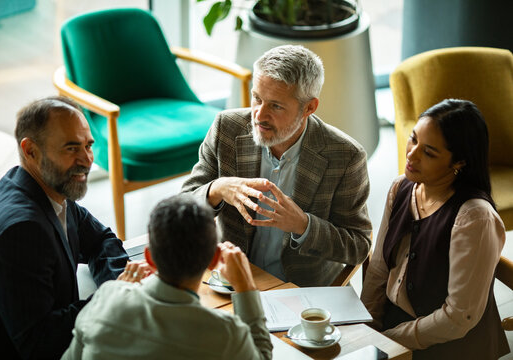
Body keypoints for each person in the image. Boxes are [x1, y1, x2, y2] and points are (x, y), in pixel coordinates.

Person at [181, 45, 372, 287]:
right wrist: (217, 189)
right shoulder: (225, 129)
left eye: (276, 106)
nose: (259, 115)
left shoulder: (346, 156)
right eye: (257, 98)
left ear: (309, 108)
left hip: (299, 293)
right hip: (228, 282)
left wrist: (303, 224)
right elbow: (182, 208)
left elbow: (358, 246)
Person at [0, 96, 130, 359]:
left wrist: (119, 285)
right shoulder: (21, 232)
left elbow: (101, 240)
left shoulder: (42, 189)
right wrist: (114, 298)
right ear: (30, 150)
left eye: (88, 146)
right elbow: (40, 343)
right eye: (71, 148)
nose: (87, 160)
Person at [360, 99, 510, 359]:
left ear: (459, 162)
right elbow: (379, 267)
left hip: (450, 346)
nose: (411, 154)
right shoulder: (401, 188)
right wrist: (366, 328)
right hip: (395, 330)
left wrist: (387, 341)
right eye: (413, 139)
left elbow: (457, 318)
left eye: (429, 152)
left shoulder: (474, 218)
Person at [62, 194, 273, 360]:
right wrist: (246, 288)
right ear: (213, 259)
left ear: (149, 257)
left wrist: (116, 291)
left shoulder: (105, 297)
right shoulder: (226, 335)